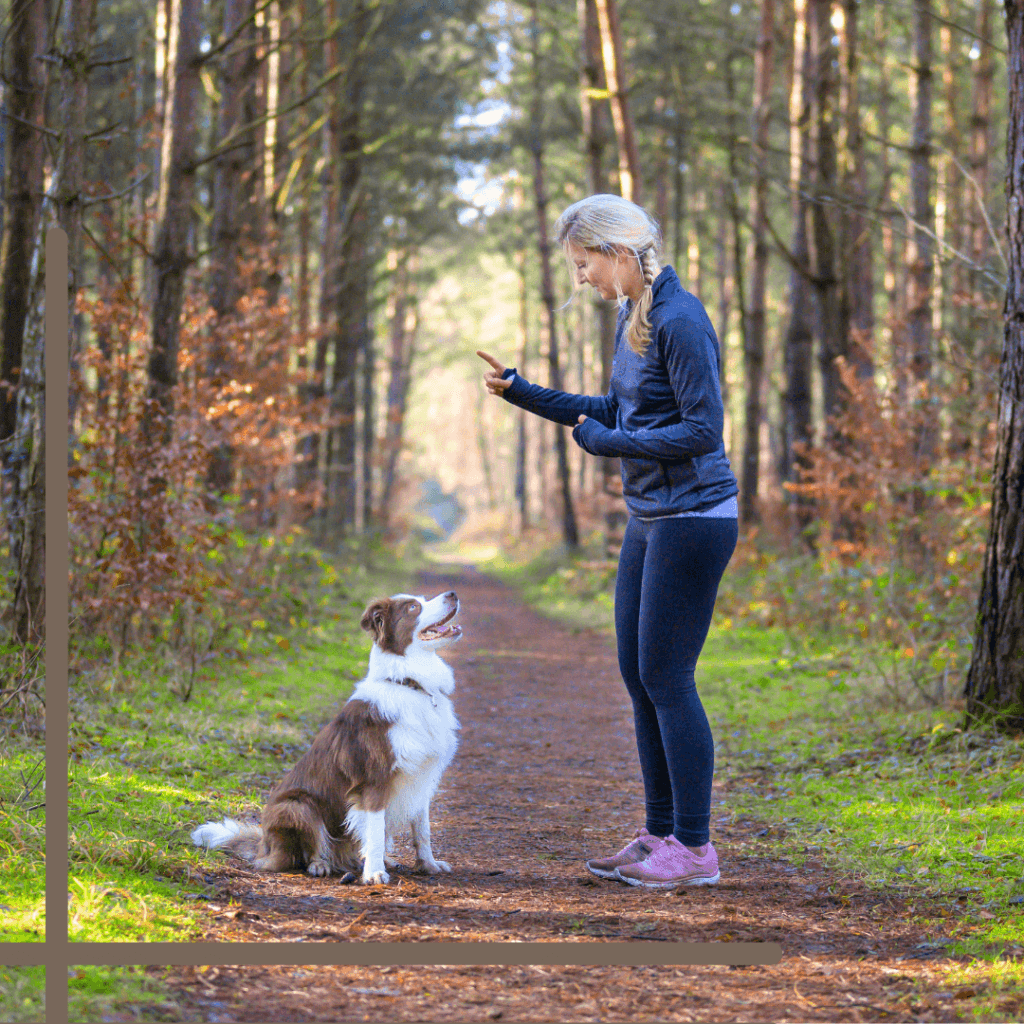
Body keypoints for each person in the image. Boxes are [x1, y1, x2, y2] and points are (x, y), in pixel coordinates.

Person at [478, 193, 738, 888]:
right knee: (638, 675)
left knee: (668, 678)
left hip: (694, 517)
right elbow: (614, 410)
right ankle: (659, 836)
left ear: (619, 252)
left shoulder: (681, 319)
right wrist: (522, 392)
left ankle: (696, 849)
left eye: (584, 262)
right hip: (651, 514)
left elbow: (703, 430)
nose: (581, 278)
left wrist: (610, 444)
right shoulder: (637, 313)